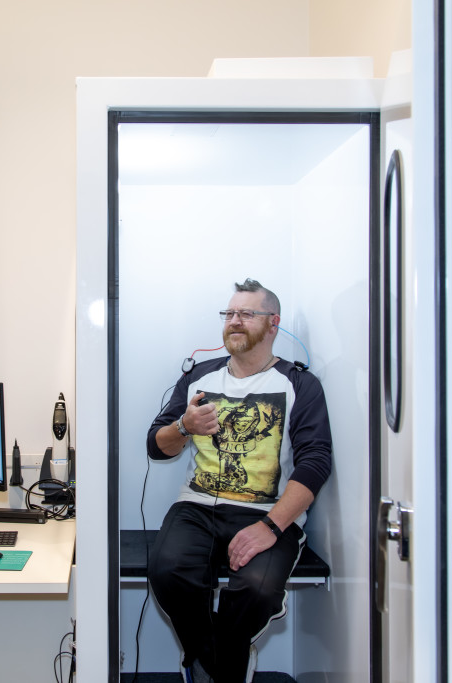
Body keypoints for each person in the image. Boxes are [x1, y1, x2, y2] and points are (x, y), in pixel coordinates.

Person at [146, 279, 332, 683]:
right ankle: (220, 663)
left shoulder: (300, 384)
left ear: (273, 323)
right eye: (229, 313)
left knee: (257, 591)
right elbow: (156, 447)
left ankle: (204, 665)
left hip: (268, 512)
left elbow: (316, 463)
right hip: (196, 506)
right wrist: (184, 425)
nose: (234, 320)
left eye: (247, 313)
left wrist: (270, 527)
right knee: (167, 572)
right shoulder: (199, 378)